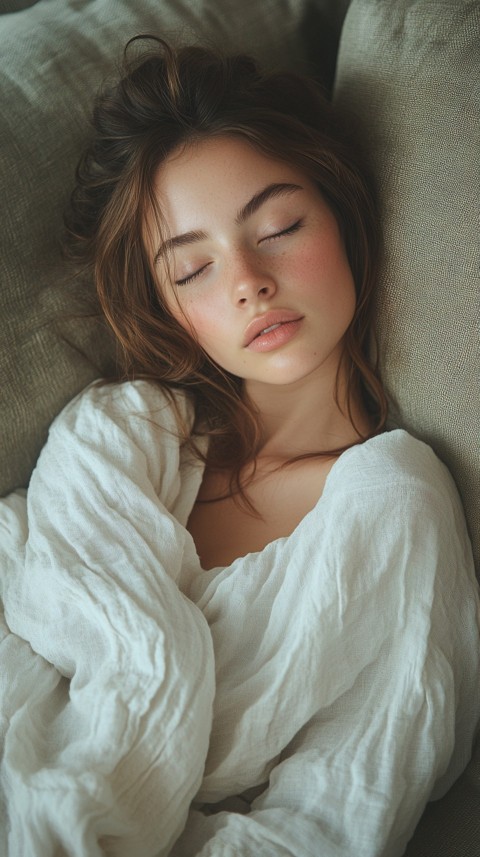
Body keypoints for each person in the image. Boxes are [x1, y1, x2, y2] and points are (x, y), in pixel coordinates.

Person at [0, 36, 479, 857]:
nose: (247, 280)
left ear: (342, 213)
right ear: (167, 309)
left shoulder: (396, 504)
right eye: (191, 272)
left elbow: (338, 810)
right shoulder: (117, 432)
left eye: (279, 226)